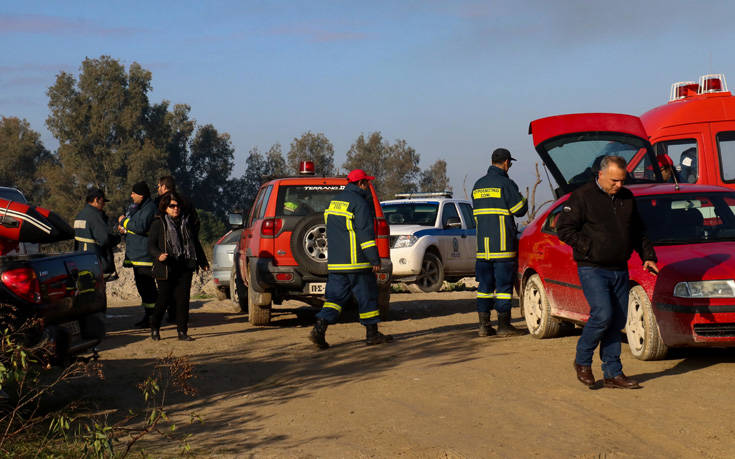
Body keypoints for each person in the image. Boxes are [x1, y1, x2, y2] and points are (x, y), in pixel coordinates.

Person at [557, 155, 658, 389]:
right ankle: (582, 361)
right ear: (600, 175)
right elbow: (564, 228)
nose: (619, 185)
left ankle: (613, 373)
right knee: (602, 315)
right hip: (592, 268)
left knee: (617, 320)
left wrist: (648, 257)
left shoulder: (627, 198)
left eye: (622, 181)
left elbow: (638, 232)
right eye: (614, 180)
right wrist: (589, 247)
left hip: (619, 269)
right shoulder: (582, 196)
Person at [309, 169, 392, 349]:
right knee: (367, 298)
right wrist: (374, 260)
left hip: (337, 264)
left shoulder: (334, 203)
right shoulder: (360, 204)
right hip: (358, 263)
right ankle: (372, 334)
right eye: (367, 183)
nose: (369, 186)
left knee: (334, 299)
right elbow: (366, 235)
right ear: (361, 184)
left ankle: (320, 327)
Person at [471, 148, 528, 337]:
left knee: (484, 288)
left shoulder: (478, 185)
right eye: (509, 163)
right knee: (504, 288)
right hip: (502, 246)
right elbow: (519, 210)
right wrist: (524, 199)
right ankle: (504, 326)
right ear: (505, 163)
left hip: (482, 249)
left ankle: (484, 326)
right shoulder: (505, 183)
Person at [147, 191, 209, 341]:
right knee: (164, 300)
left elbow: (195, 243)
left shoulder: (186, 223)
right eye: (172, 206)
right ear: (165, 208)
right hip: (167, 267)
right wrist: (158, 255)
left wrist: (202, 261)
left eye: (178, 206)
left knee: (183, 301)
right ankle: (155, 326)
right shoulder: (158, 224)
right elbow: (150, 245)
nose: (176, 209)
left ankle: (182, 332)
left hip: (185, 266)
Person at [155, 175, 200, 323]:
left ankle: (180, 324)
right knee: (179, 293)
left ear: (163, 187)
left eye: (158, 187)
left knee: (173, 293)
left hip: (174, 256)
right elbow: (196, 223)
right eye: (172, 207)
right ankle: (173, 319)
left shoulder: (161, 204)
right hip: (185, 254)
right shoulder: (186, 201)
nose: (176, 209)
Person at [118, 182, 157, 328]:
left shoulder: (149, 208)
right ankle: (149, 316)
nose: (131, 195)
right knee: (143, 288)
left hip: (144, 257)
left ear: (141, 195)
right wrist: (125, 229)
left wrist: (123, 221)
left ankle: (154, 317)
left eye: (134, 193)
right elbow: (135, 226)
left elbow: (139, 226)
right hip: (137, 255)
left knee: (148, 289)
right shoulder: (140, 208)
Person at [74, 188, 121, 279]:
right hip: (96, 263)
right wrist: (118, 238)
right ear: (96, 200)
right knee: (98, 291)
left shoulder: (80, 215)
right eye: (103, 201)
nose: (104, 205)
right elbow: (105, 239)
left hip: (82, 262)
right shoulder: (95, 215)